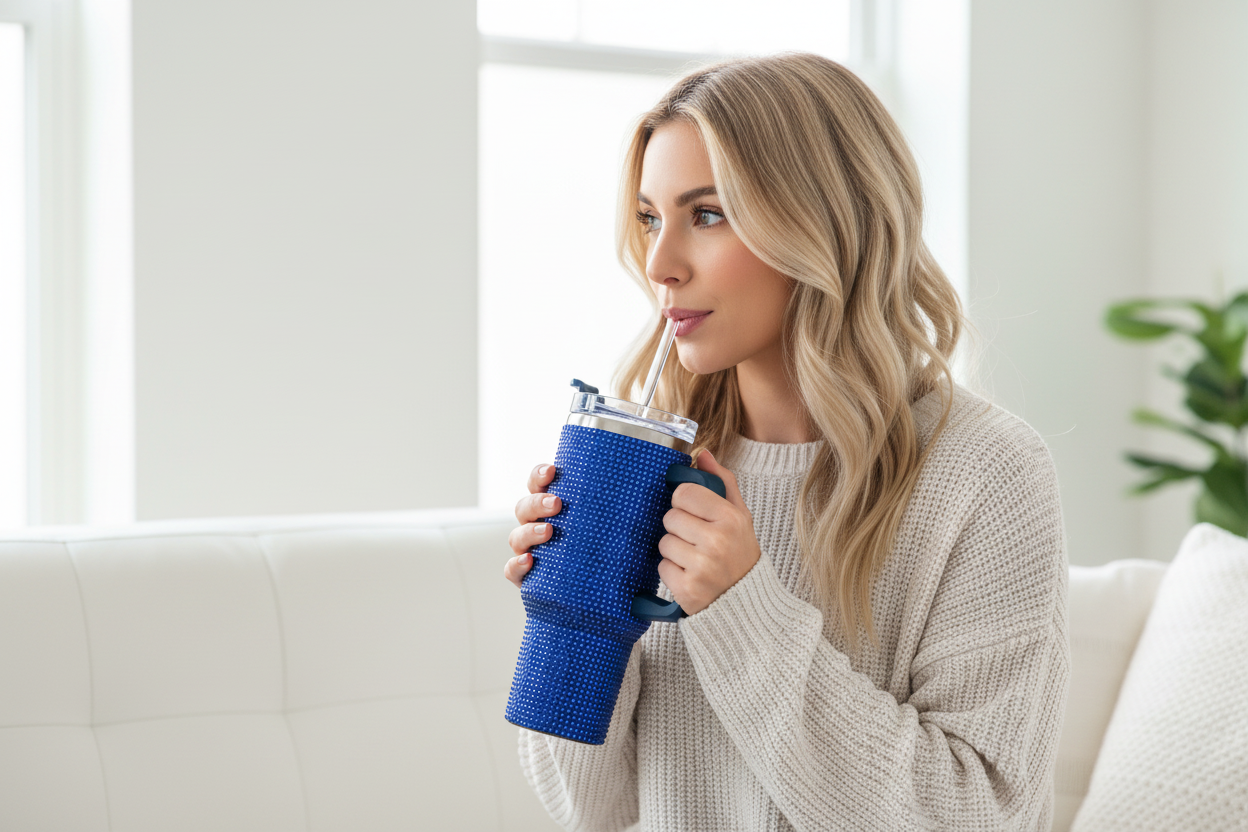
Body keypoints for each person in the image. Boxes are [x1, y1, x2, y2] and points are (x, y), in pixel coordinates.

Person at [503, 52, 1068, 832]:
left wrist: (741, 607)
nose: (659, 264)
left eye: (707, 214)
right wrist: (569, 611)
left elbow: (971, 813)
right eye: (648, 218)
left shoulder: (986, 472)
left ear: (821, 220)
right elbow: (590, 809)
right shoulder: (655, 467)